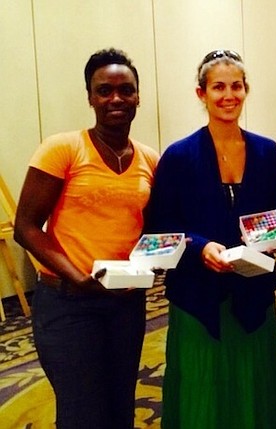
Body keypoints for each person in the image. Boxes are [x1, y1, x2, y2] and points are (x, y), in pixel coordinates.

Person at [144, 49, 276, 429]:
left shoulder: (266, 151)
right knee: (203, 387)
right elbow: (160, 225)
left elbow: (275, 214)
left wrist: (269, 237)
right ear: (201, 94)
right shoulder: (178, 156)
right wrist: (199, 247)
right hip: (198, 294)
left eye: (236, 86)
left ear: (246, 91)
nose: (229, 95)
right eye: (218, 87)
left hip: (252, 290)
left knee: (254, 383)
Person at [13, 48, 158, 429]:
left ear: (138, 97)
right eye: (104, 90)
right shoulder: (63, 148)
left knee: (120, 404)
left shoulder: (148, 159)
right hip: (68, 303)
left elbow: (152, 228)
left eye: (125, 90)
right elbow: (26, 227)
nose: (116, 99)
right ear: (90, 97)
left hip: (125, 302)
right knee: (82, 412)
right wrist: (77, 277)